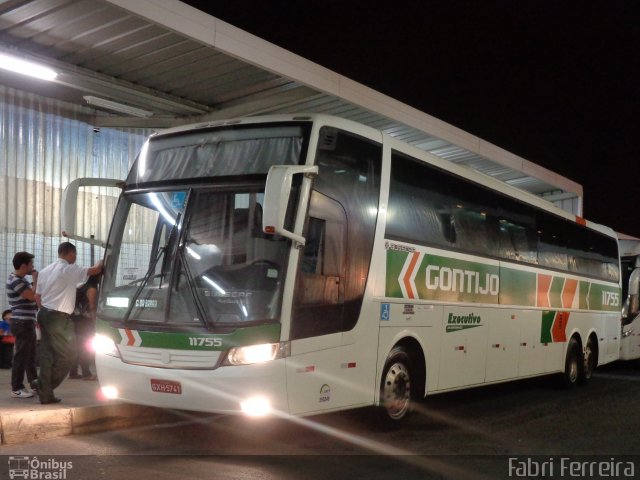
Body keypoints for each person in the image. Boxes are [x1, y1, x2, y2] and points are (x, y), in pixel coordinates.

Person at [34, 242, 102, 404]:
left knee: (47, 355)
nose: (76, 257)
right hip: (58, 318)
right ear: (71, 253)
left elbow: (37, 296)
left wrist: (45, 310)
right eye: (75, 254)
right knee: (70, 355)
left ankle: (45, 392)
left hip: (43, 313)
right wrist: (103, 260)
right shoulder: (70, 269)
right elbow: (95, 270)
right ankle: (44, 387)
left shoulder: (44, 271)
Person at [5, 252, 39, 398]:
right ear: (24, 265)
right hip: (22, 322)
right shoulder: (16, 280)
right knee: (21, 356)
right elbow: (32, 296)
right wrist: (36, 280)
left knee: (30, 356)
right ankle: (17, 388)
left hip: (27, 322)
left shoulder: (21, 280)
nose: (32, 267)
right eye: (31, 264)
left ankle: (35, 384)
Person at [69, 275, 99, 380]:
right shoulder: (91, 288)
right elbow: (92, 307)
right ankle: (86, 373)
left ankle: (73, 373)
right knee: (85, 347)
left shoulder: (81, 286)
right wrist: (96, 322)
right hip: (84, 322)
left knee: (77, 347)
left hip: (75, 320)